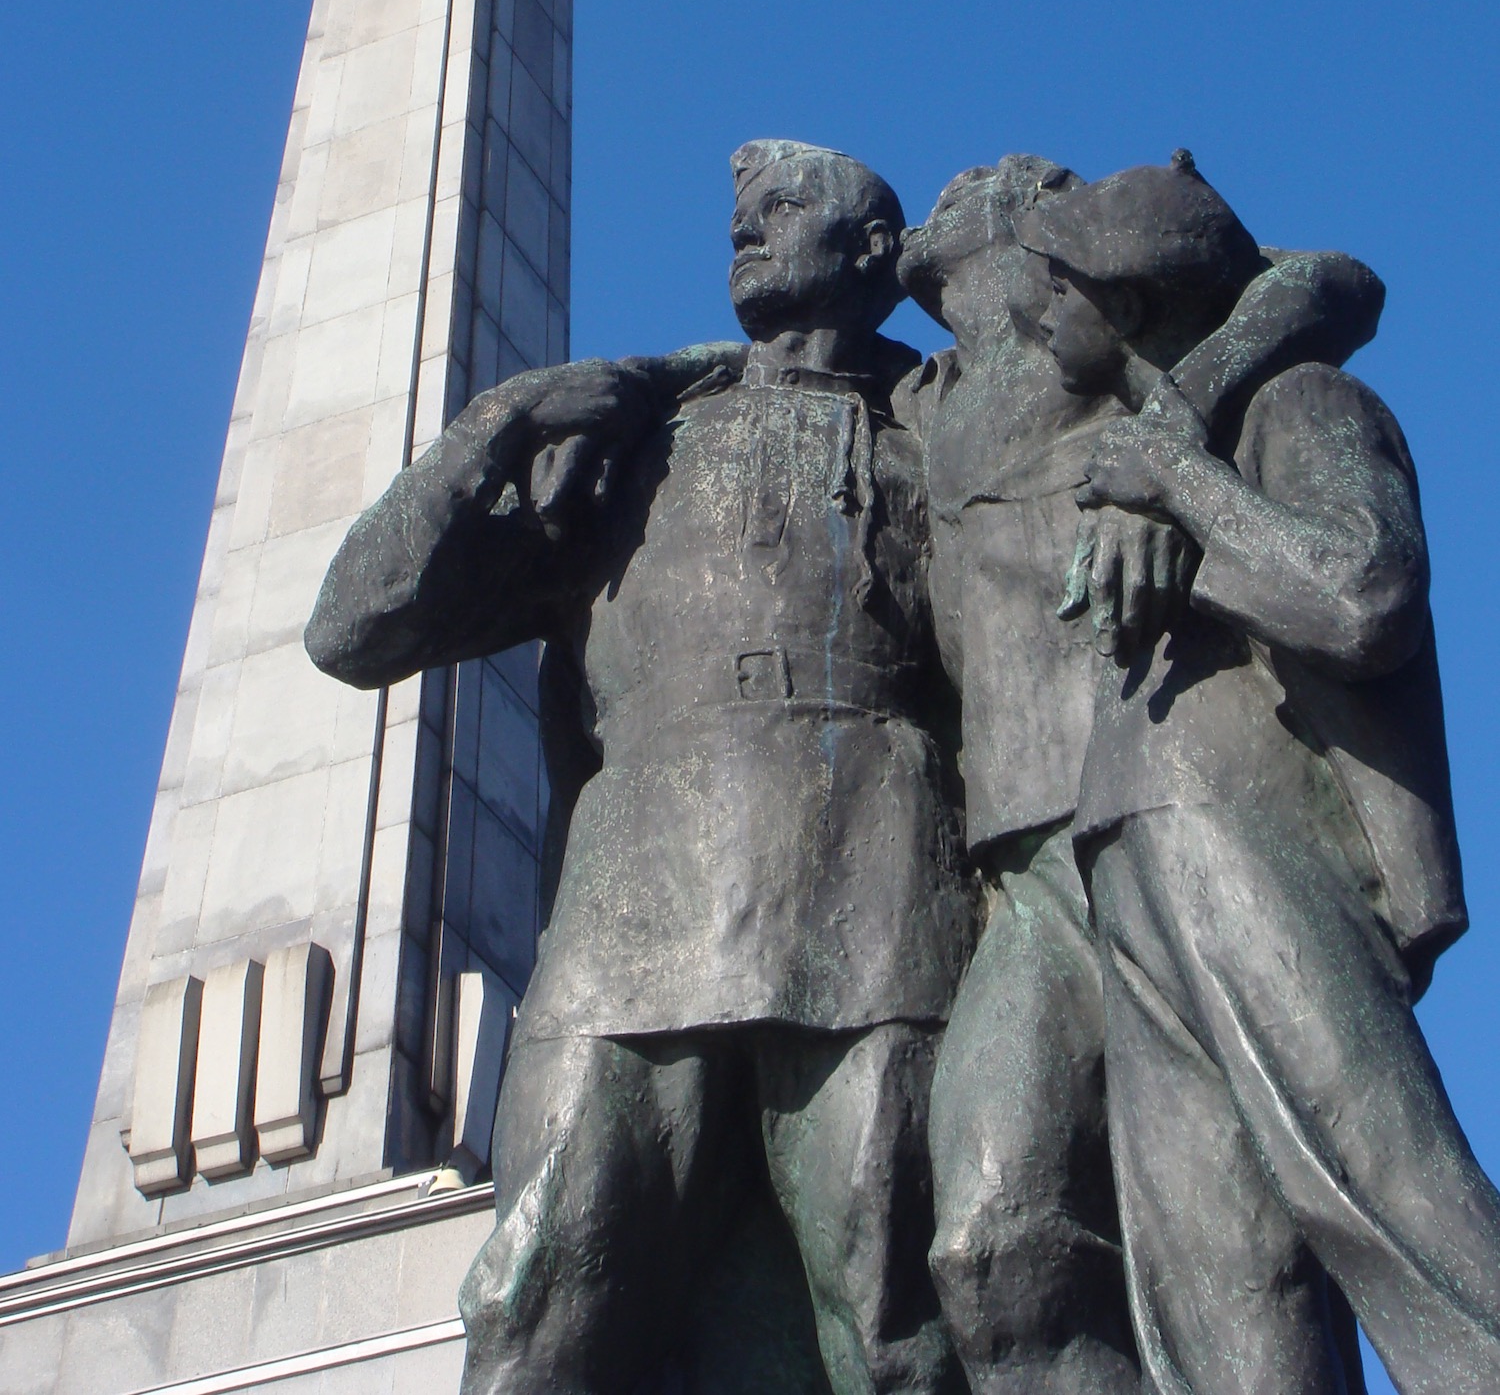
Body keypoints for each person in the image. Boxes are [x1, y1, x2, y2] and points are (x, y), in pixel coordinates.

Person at [307, 139, 973, 1395]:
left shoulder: (941, 425)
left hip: (879, 898)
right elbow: (354, 629)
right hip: (636, 917)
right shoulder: (630, 446)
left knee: (889, 1319)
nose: (747, 231)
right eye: (739, 214)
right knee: (536, 1308)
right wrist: (492, 429)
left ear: (873, 251)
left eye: (784, 209)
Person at [1014, 157, 1500, 1395]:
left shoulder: (1303, 405)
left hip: (1252, 832)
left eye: (1060, 281)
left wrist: (1184, 491)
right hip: (1132, 844)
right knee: (1220, 1294)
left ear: (1126, 303)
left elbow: (1364, 595)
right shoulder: (1144, 449)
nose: (1037, 308)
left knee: (1397, 1207)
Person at [898, 154, 1380, 1394]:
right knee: (989, 1246)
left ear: (1017, 227)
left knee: (1250, 1242)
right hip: (1021, 861)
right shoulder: (915, 396)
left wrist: (1176, 414)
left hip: (1161, 800)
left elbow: (1328, 280)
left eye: (959, 192)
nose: (925, 212)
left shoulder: (1108, 340)